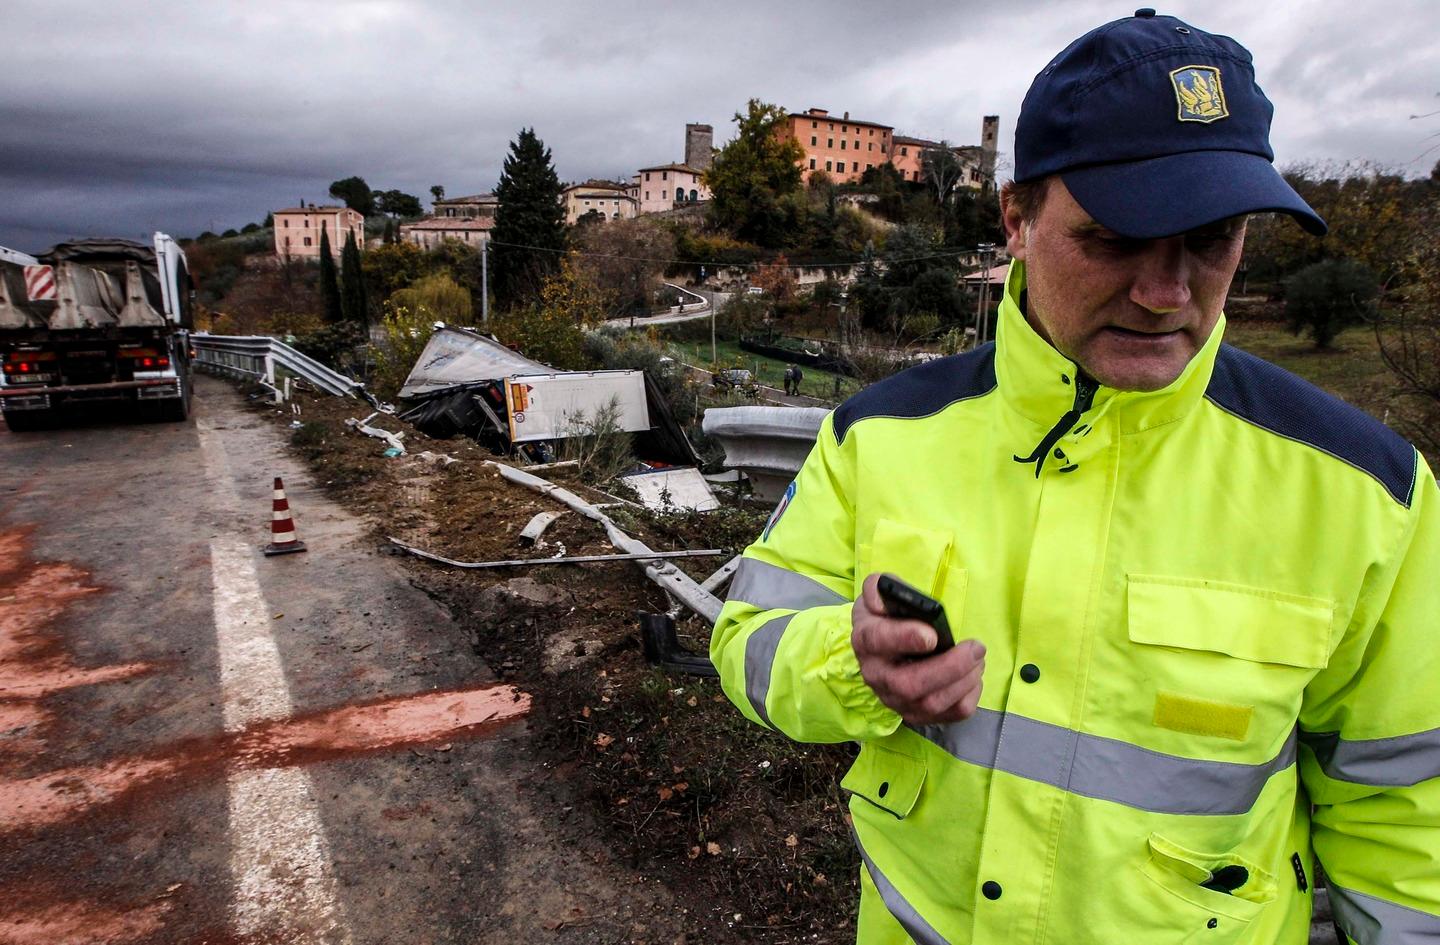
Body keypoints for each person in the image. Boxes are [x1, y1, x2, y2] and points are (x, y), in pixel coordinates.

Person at [711, 10, 1440, 945]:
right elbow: (746, 641)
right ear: (1016, 218)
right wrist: (849, 664)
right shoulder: (880, 435)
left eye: (1212, 241)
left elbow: (1409, 813)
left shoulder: (1367, 493)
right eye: (1114, 239)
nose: (1165, 291)